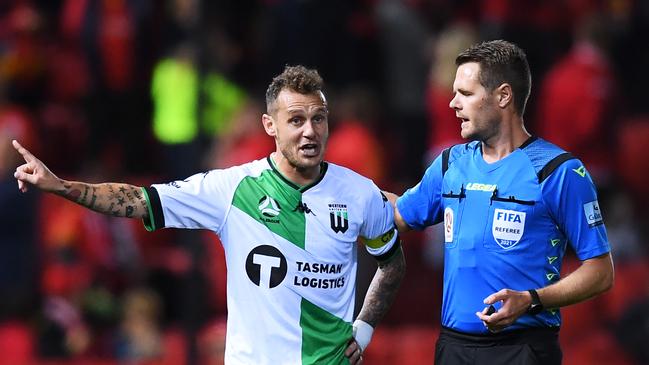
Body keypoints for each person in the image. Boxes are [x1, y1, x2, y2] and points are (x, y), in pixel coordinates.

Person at [12, 65, 406, 365]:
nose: (310, 131)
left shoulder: (358, 193)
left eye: (318, 118)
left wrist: (365, 328)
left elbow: (391, 263)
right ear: (270, 125)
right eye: (296, 120)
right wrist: (62, 187)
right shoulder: (231, 189)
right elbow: (138, 199)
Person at [386, 40, 614, 364]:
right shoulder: (450, 163)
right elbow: (397, 214)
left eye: (465, 94)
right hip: (453, 349)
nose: (452, 103)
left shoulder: (558, 172)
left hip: (523, 349)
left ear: (503, 96)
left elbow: (601, 272)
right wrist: (329, 182)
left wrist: (531, 299)